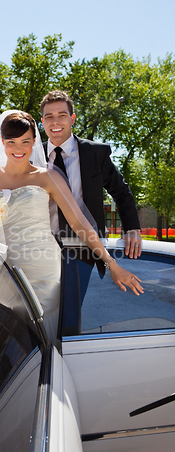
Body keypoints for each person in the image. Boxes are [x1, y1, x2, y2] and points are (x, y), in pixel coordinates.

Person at [0, 110, 143, 357]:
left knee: (45, 335)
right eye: (11, 142)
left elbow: (79, 223)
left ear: (34, 141)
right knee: (19, 336)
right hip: (8, 267)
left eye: (25, 141)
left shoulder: (47, 176)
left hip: (44, 267)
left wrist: (110, 262)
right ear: (2, 142)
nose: (18, 148)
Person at [40, 90, 142, 315]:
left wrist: (132, 227)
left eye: (62, 115)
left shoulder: (95, 153)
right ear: (42, 121)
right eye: (49, 116)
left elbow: (121, 192)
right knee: (42, 316)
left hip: (85, 251)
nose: (55, 122)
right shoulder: (32, 156)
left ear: (72, 118)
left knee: (72, 316)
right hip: (42, 251)